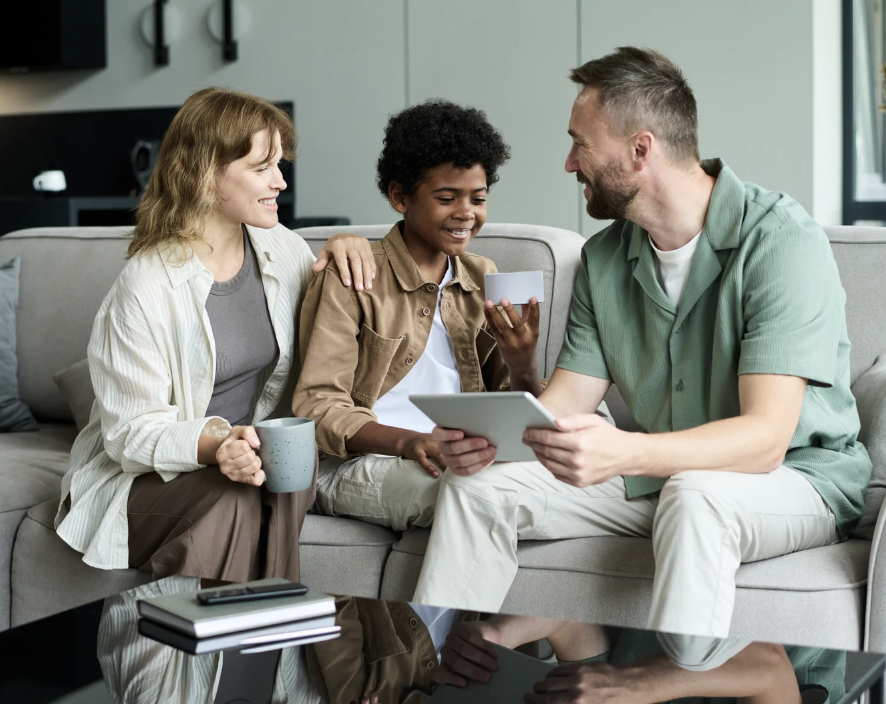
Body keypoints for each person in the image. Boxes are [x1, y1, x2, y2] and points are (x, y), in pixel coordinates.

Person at [412, 46, 871, 663]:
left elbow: (765, 439)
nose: (569, 162)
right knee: (476, 488)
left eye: (580, 143)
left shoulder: (779, 240)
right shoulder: (604, 260)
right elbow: (566, 403)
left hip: (793, 478)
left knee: (696, 496)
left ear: (640, 149)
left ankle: (674, 680)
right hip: (661, 475)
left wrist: (626, 450)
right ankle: (442, 666)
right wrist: (498, 439)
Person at [54, 87, 375, 583]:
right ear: (207, 174)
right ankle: (234, 630)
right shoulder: (145, 286)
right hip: (147, 478)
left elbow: (337, 322)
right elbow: (128, 435)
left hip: (250, 465)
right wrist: (216, 443)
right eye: (262, 166)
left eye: (280, 164)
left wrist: (345, 244)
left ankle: (264, 621)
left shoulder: (282, 248)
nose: (280, 181)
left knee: (289, 462)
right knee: (236, 491)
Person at [292, 99, 541, 531]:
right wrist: (409, 442)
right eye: (447, 198)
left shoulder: (484, 276)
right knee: (472, 498)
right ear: (399, 196)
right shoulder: (353, 274)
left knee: (527, 485)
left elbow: (514, 403)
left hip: (461, 456)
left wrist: (523, 366)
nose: (466, 212)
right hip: (361, 463)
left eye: (478, 198)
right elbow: (317, 407)